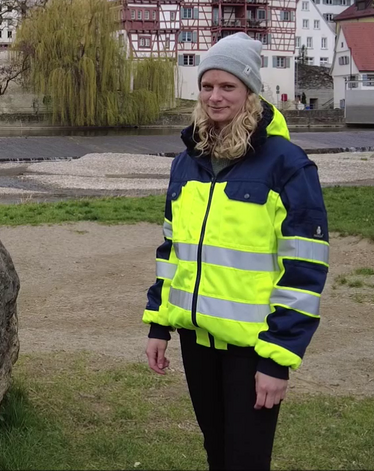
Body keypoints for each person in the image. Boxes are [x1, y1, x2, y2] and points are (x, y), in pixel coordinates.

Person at [143, 32, 329, 470]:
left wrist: (277, 359)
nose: (215, 97)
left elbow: (304, 267)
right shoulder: (187, 161)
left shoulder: (287, 164)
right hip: (196, 339)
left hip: (253, 347)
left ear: (250, 92)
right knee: (217, 450)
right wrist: (158, 323)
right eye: (208, 86)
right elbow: (173, 250)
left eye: (228, 87)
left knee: (246, 459)